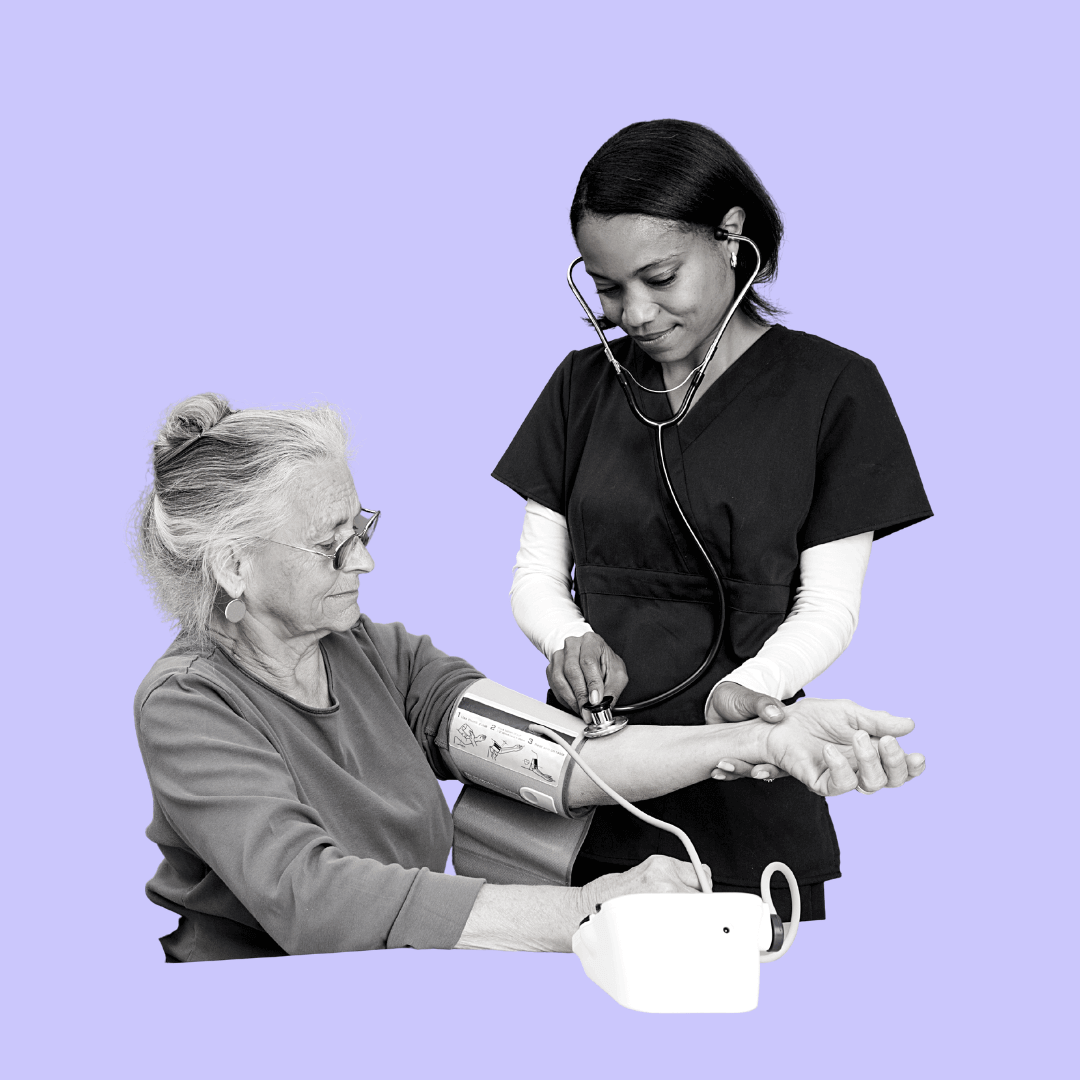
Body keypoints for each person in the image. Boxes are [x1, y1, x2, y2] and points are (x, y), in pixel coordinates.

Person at [132, 393, 923, 962]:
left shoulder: (375, 653)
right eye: (330, 544)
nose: (363, 560)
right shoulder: (187, 704)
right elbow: (314, 897)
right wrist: (588, 910)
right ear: (233, 567)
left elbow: (560, 758)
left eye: (361, 528)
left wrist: (759, 740)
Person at [493, 119, 933, 920]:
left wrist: (749, 693)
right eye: (608, 288)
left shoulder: (834, 390)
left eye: (660, 277)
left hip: (748, 782)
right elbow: (534, 576)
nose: (636, 313)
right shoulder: (580, 386)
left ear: (732, 236)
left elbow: (829, 606)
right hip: (587, 781)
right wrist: (566, 640)